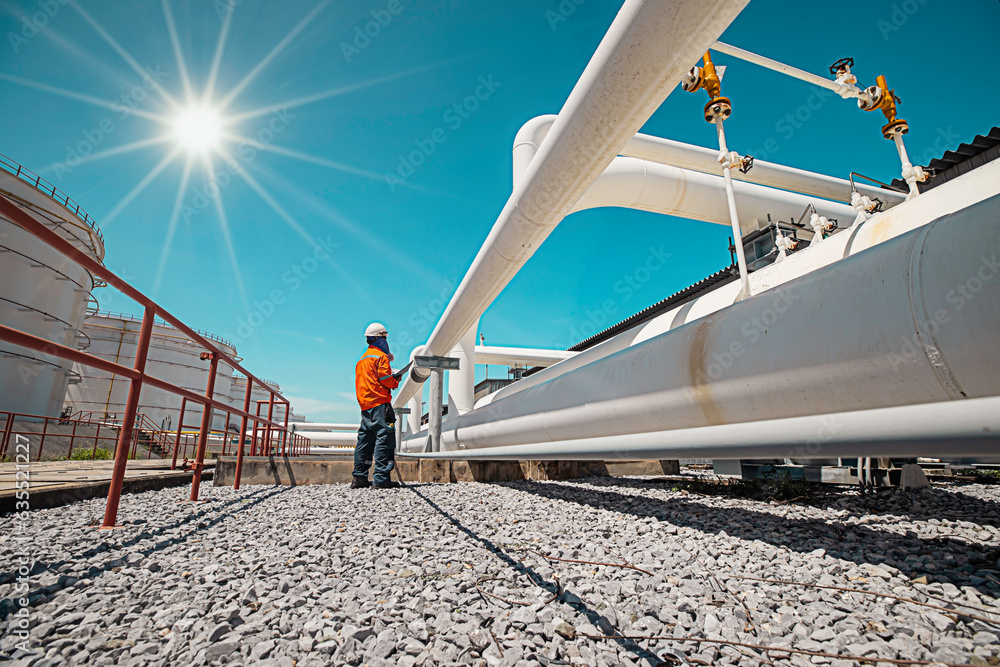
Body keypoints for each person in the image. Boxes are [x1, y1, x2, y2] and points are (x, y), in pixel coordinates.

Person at [352, 322, 402, 489]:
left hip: (366, 406)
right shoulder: (381, 357)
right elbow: (384, 379)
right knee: (385, 439)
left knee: (365, 440)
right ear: (381, 338)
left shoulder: (362, 360)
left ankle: (359, 477)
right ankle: (381, 479)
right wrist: (394, 381)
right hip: (381, 405)